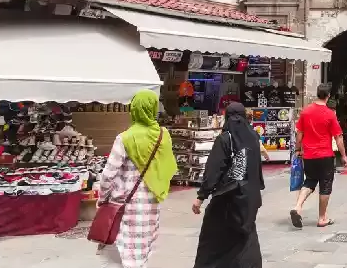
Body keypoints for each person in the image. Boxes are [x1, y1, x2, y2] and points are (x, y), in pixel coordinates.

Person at [97, 90, 177, 268]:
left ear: (134, 109)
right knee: (142, 246)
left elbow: (108, 174)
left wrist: (102, 198)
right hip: (151, 202)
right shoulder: (163, 135)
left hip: (125, 203)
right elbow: (169, 167)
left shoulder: (124, 138)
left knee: (127, 249)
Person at [192, 102, 266, 268]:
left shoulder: (225, 138)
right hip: (249, 198)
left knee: (214, 239)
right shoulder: (253, 137)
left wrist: (201, 196)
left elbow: (214, 170)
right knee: (246, 236)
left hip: (228, 199)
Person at [290, 84, 347, 229]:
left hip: (309, 155)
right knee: (325, 185)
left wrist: (298, 149)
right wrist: (344, 155)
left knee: (309, 181)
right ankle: (322, 218)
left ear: (317, 93)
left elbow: (299, 134)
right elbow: (338, 137)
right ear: (328, 96)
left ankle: (297, 207)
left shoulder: (305, 111)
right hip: (325, 155)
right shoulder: (330, 114)